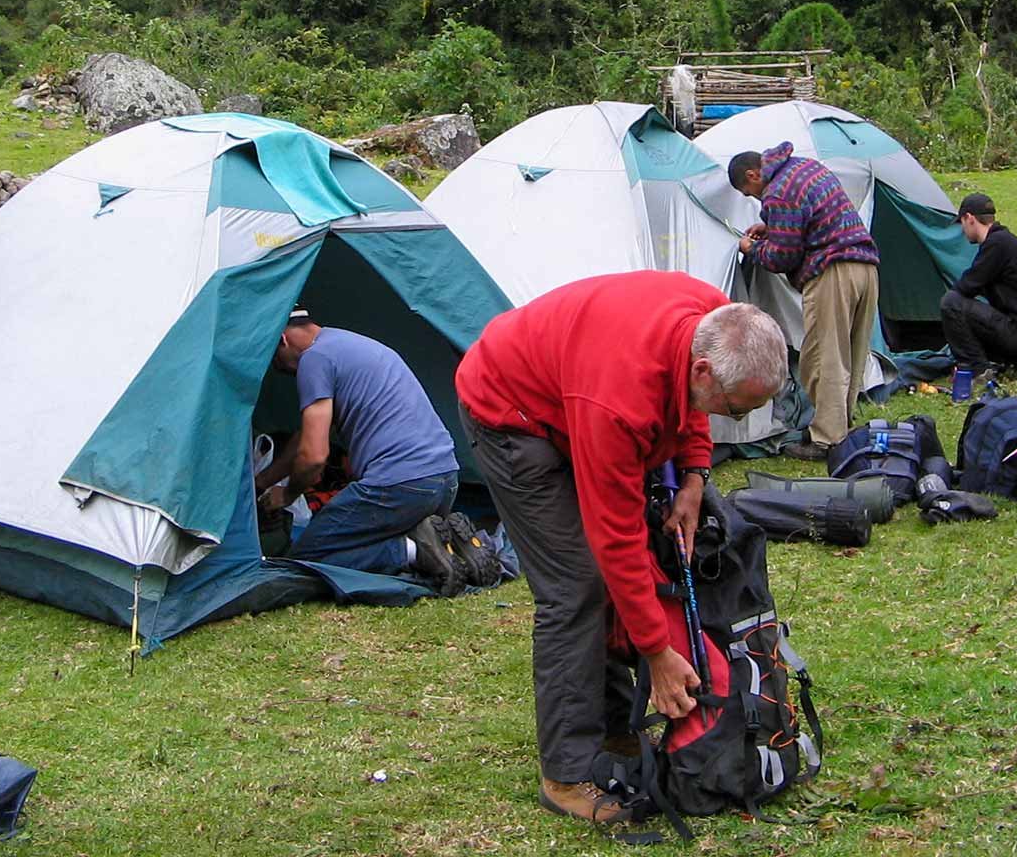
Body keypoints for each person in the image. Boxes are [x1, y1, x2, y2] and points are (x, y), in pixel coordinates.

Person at [455, 272, 786, 824]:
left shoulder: (712, 317)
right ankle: (566, 774)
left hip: (573, 393)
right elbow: (616, 539)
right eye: (736, 408)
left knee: (610, 576)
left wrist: (695, 475)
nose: (739, 420)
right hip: (511, 414)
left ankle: (611, 726)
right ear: (702, 369)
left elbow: (693, 406)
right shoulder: (618, 399)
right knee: (576, 586)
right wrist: (656, 653)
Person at [259, 309, 467, 593]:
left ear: (282, 340)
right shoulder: (351, 344)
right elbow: (304, 439)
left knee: (308, 558)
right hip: (445, 480)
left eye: (276, 362)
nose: (283, 370)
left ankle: (415, 550)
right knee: (357, 537)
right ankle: (453, 545)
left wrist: (288, 494)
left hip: (400, 486)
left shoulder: (314, 358)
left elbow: (314, 457)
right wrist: (263, 481)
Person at [728, 144, 880, 460]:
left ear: (753, 174)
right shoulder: (804, 167)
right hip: (865, 267)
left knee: (820, 358)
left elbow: (785, 256)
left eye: (749, 191)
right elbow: (813, 215)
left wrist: (751, 249)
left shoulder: (777, 192)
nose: (755, 199)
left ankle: (826, 440)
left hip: (833, 272)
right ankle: (841, 427)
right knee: (851, 354)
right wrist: (772, 228)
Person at [940, 192, 1017, 381]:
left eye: (961, 224)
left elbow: (965, 288)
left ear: (969, 218)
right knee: (971, 309)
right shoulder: (1006, 241)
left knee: (951, 303)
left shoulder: (996, 245)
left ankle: (977, 369)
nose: (962, 231)